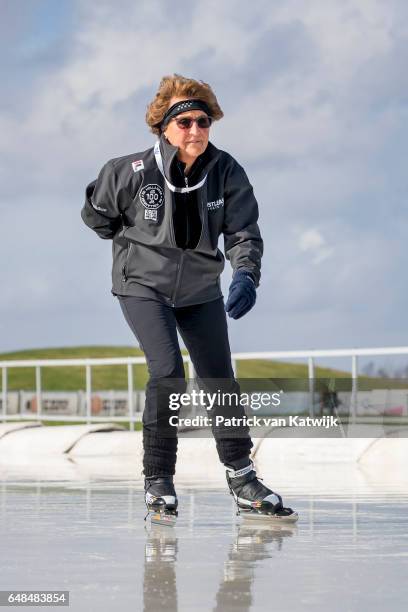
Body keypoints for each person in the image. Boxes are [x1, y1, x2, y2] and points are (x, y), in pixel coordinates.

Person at [81, 74, 297, 523]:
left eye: (203, 121)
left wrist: (246, 277)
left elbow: (242, 232)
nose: (195, 130)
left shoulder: (225, 171)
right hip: (143, 285)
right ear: (163, 125)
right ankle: (158, 480)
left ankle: (242, 478)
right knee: (168, 373)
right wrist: (131, 239)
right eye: (185, 122)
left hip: (200, 290)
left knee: (220, 378)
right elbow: (97, 216)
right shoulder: (129, 172)